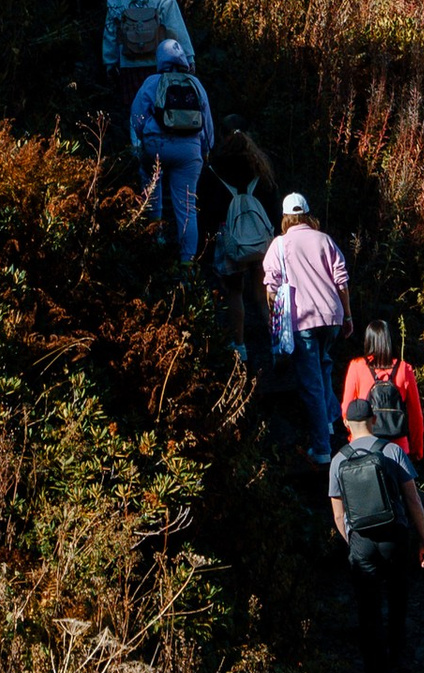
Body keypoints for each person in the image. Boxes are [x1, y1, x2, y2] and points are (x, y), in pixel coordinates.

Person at [330, 383, 424, 673]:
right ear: (374, 420)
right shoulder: (392, 451)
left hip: (361, 540)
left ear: (346, 423)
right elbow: (413, 500)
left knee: (367, 607)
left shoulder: (338, 460)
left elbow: (337, 513)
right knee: (397, 598)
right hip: (395, 537)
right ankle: (399, 662)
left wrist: (354, 541)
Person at [259, 191, 350, 465]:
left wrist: (275, 318)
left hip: (304, 320)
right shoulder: (324, 239)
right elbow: (342, 280)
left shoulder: (279, 245)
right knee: (323, 369)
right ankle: (332, 424)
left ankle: (322, 450)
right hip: (331, 317)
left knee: (311, 384)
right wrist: (348, 316)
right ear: (307, 213)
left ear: (286, 217)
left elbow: (271, 288)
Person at [204, 117, 281, 354]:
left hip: (230, 240)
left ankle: (239, 345)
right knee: (263, 290)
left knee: (234, 293)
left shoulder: (215, 167)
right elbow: (272, 200)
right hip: (260, 241)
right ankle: (276, 341)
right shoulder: (260, 165)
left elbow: (208, 207)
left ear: (222, 134)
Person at [129, 39, 212, 257]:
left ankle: (156, 244)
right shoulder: (196, 85)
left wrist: (145, 137)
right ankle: (187, 267)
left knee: (152, 195)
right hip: (189, 152)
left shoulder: (152, 82)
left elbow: (136, 116)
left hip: (157, 146)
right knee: (187, 209)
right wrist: (204, 149)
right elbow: (207, 125)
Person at [339, 321, 424, 470]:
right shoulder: (404, 368)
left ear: (368, 340)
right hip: (398, 448)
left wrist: (352, 437)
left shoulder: (357, 366)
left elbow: (347, 410)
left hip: (364, 446)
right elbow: (415, 415)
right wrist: (417, 450)